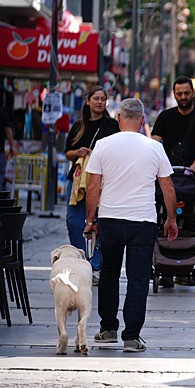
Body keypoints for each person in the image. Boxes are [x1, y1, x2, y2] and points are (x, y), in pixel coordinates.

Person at [84, 98, 178, 353]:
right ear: (142, 120)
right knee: (138, 278)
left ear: (119, 118)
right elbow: (167, 186)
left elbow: (93, 186)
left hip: (111, 219)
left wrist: (90, 220)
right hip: (143, 221)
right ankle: (132, 337)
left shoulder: (103, 145)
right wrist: (171, 218)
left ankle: (107, 329)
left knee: (109, 274)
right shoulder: (154, 147)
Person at [64, 86, 120, 284]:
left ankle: (97, 265)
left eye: (103, 99)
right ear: (88, 101)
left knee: (100, 224)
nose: (100, 102)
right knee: (73, 222)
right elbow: (67, 152)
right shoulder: (79, 126)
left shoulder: (112, 125)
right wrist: (78, 152)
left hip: (103, 180)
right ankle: (83, 262)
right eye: (96, 98)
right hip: (78, 180)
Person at [151, 75, 195, 191]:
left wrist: (189, 172)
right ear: (174, 94)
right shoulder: (164, 117)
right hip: (167, 178)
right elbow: (153, 146)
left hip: (193, 180)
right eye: (179, 94)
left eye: (187, 93)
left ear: (193, 93)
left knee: (191, 209)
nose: (183, 97)